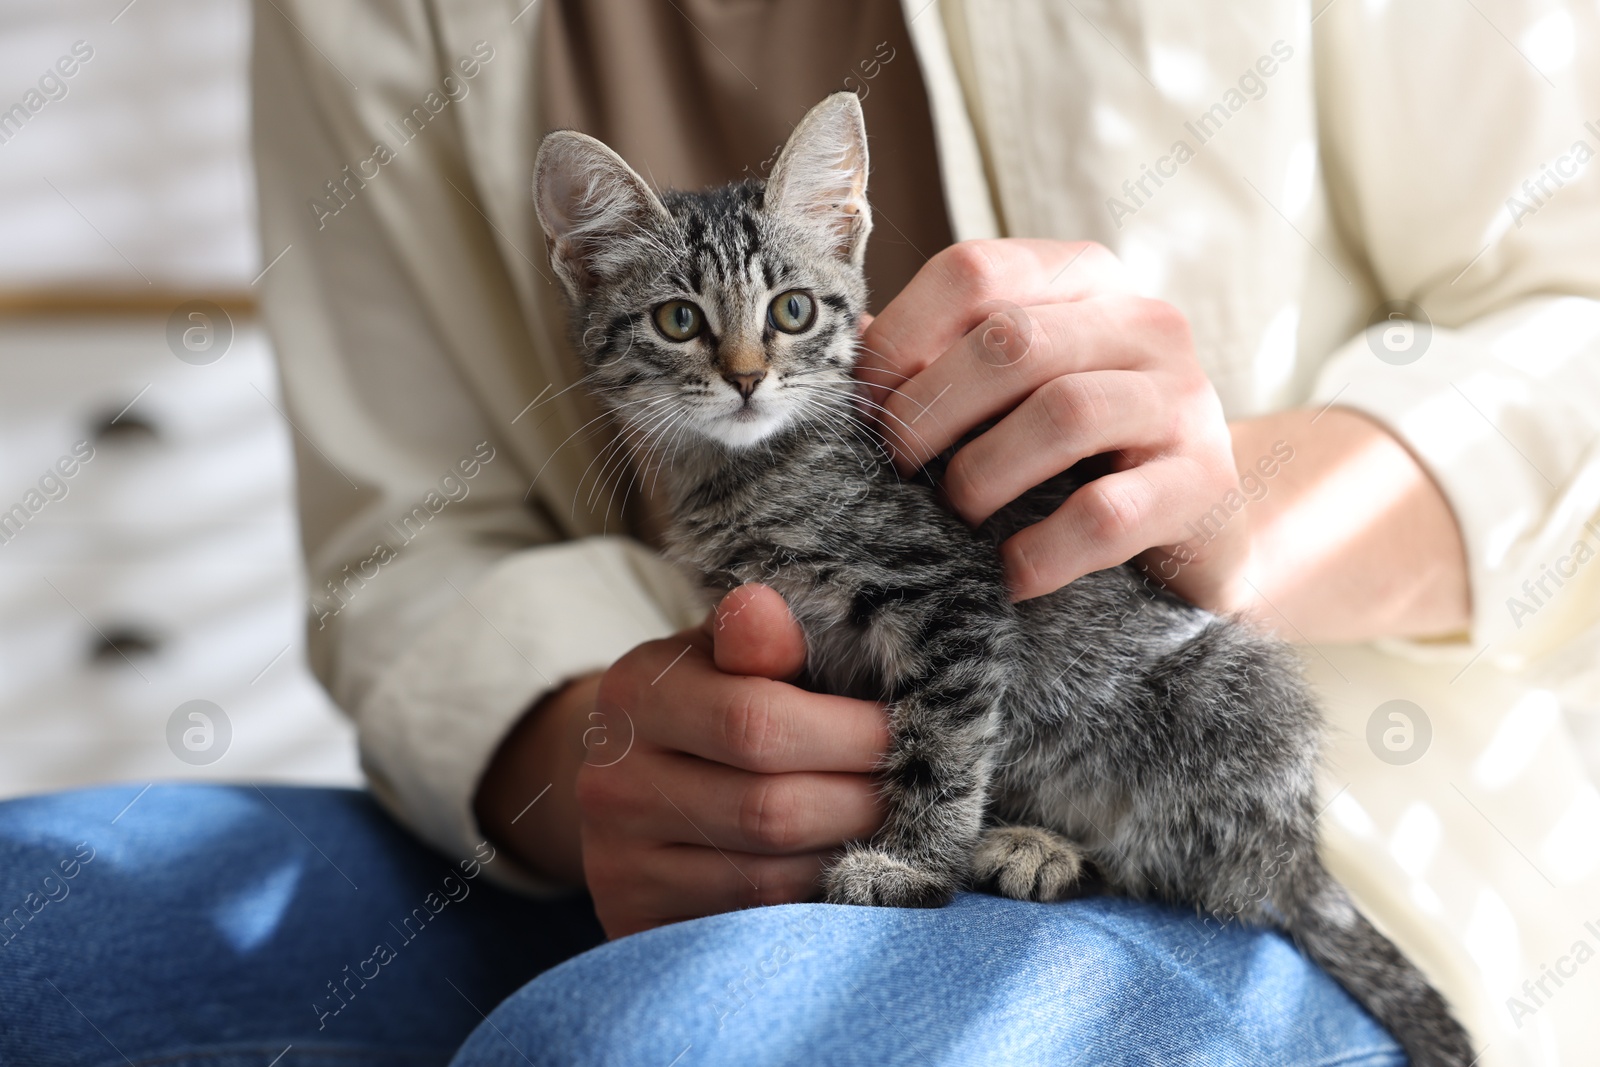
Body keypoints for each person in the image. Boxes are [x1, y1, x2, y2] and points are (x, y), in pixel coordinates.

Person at [4, 1, 1598, 1064]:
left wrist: (1243, 491)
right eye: (697, 330)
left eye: (778, 317)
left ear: (835, 244)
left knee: (680, 1044)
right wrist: (590, 754)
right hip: (644, 843)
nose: (748, 366)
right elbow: (406, 541)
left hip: (1267, 803)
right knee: (40, 927)